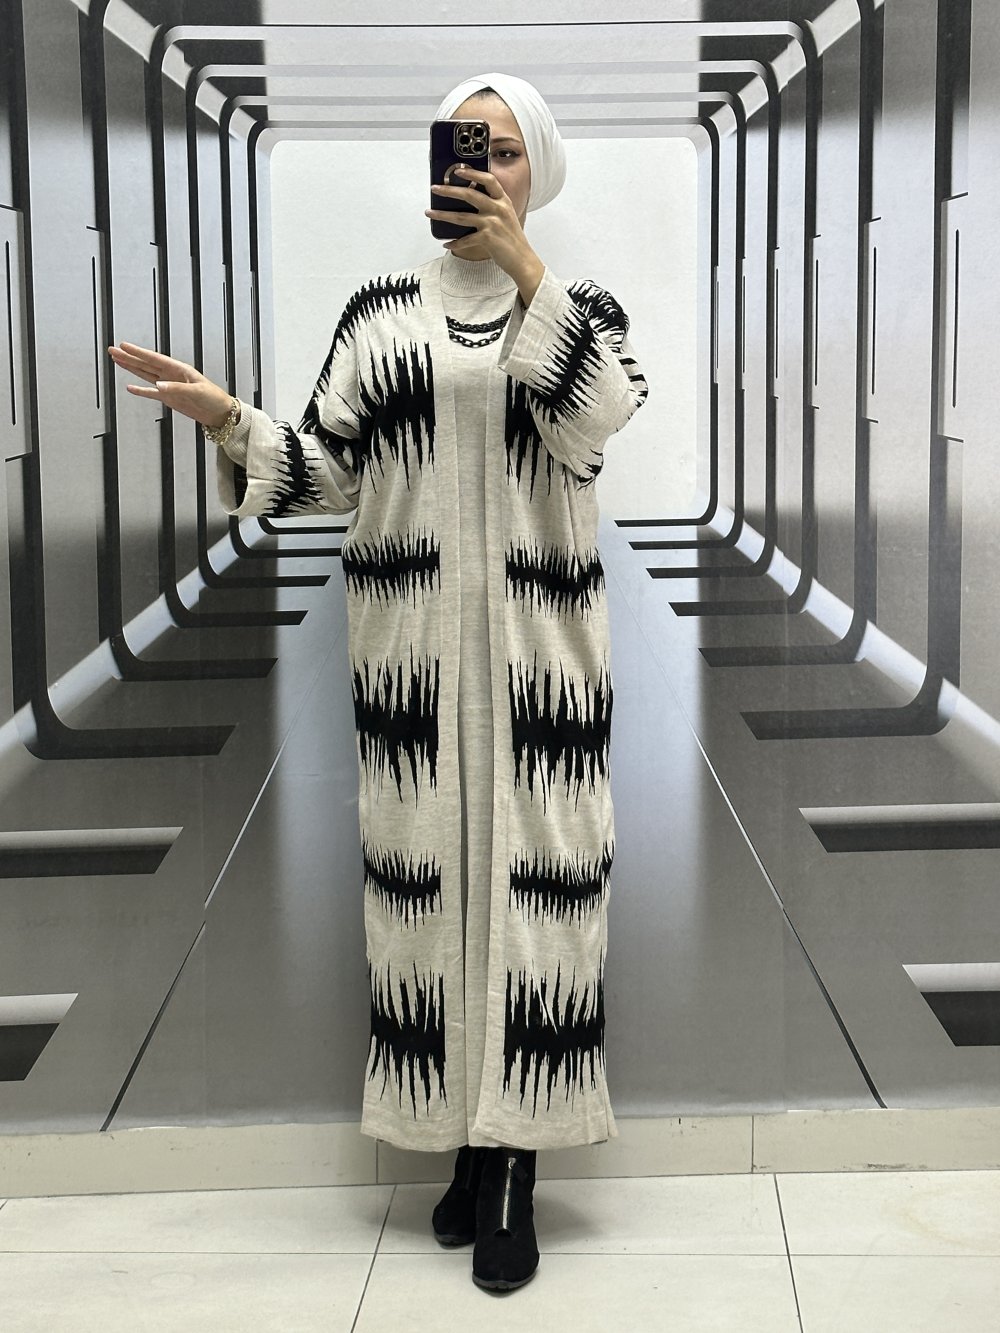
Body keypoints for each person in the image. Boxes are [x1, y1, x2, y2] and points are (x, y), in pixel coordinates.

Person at [108, 70, 648, 1295]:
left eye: (503, 151)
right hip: (411, 679)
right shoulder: (379, 316)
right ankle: (461, 1142)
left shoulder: (579, 309)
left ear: (537, 169)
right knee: (426, 907)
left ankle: (512, 1166)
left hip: (542, 676)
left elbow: (597, 422)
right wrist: (228, 418)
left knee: (538, 907)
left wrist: (527, 273)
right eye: (466, 147)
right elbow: (329, 475)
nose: (481, 168)